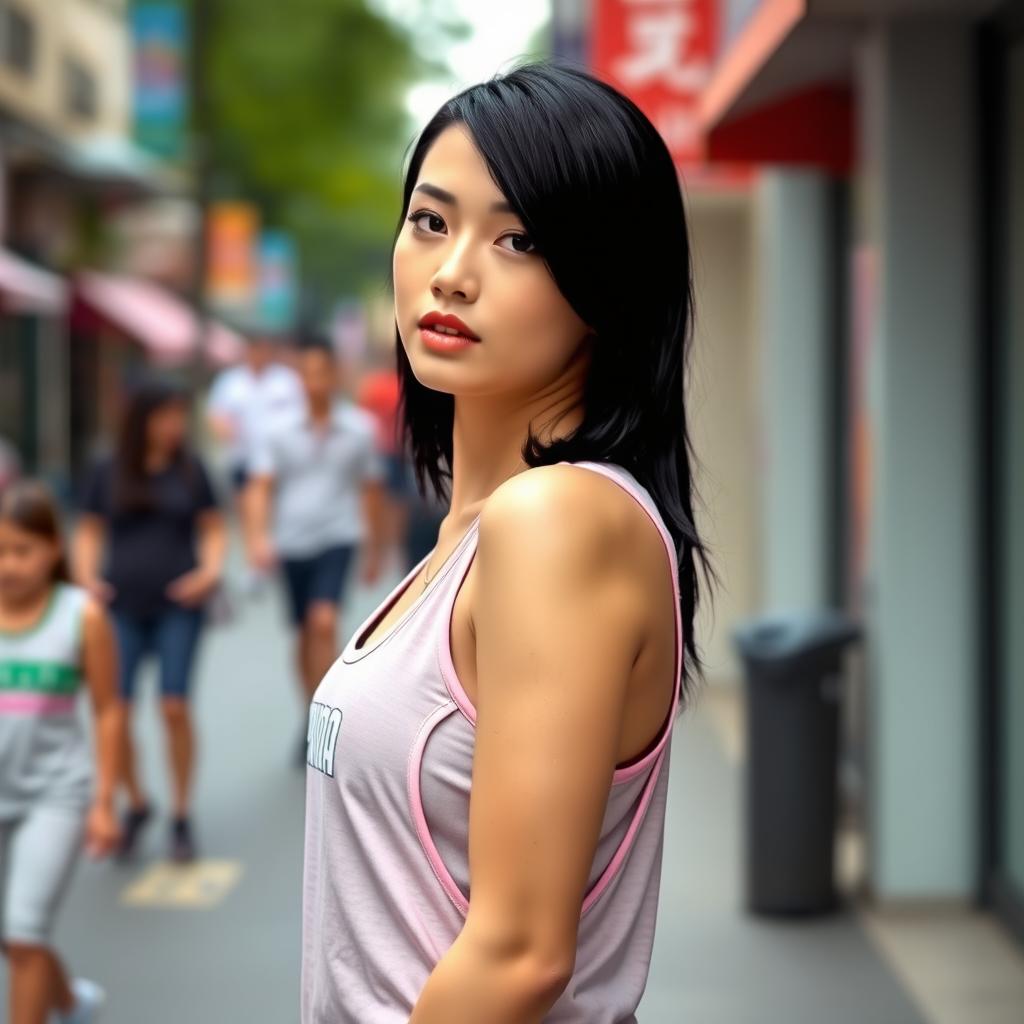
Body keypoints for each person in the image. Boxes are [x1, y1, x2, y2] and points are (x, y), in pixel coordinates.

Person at [300, 63, 714, 1024]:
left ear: (608, 283)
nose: (452, 271)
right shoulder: (474, 530)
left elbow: (522, 955)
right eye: (431, 221)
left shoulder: (557, 523)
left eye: (519, 238)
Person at [74, 379, 226, 863]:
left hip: (179, 605)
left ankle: (181, 813)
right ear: (142, 419)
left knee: (173, 705)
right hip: (120, 607)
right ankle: (136, 802)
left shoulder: (191, 469)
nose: (174, 426)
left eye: (180, 416)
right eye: (165, 416)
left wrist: (209, 573)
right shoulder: (108, 469)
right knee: (114, 714)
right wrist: (85, 581)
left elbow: (213, 527)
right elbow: (89, 530)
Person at [0, 480, 123, 1024]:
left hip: (56, 794)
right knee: (13, 935)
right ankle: (72, 1004)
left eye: (21, 550)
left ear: (53, 548)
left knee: (23, 937)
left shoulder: (82, 616)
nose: (8, 565)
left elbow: (107, 711)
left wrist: (102, 802)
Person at [245, 338, 386, 763]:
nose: (315, 382)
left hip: (339, 535)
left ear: (335, 375)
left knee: (323, 622)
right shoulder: (278, 429)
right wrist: (257, 537)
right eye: (307, 374)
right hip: (292, 540)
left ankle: (326, 721)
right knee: (303, 632)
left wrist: (375, 547)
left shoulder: (359, 428)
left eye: (323, 372)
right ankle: (308, 712)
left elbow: (371, 488)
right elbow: (260, 487)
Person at [206, 328, 304, 508]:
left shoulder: (287, 380)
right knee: (246, 507)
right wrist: (226, 430)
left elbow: (300, 413)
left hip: (278, 459)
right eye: (255, 348)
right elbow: (216, 414)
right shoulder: (230, 381)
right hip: (243, 457)